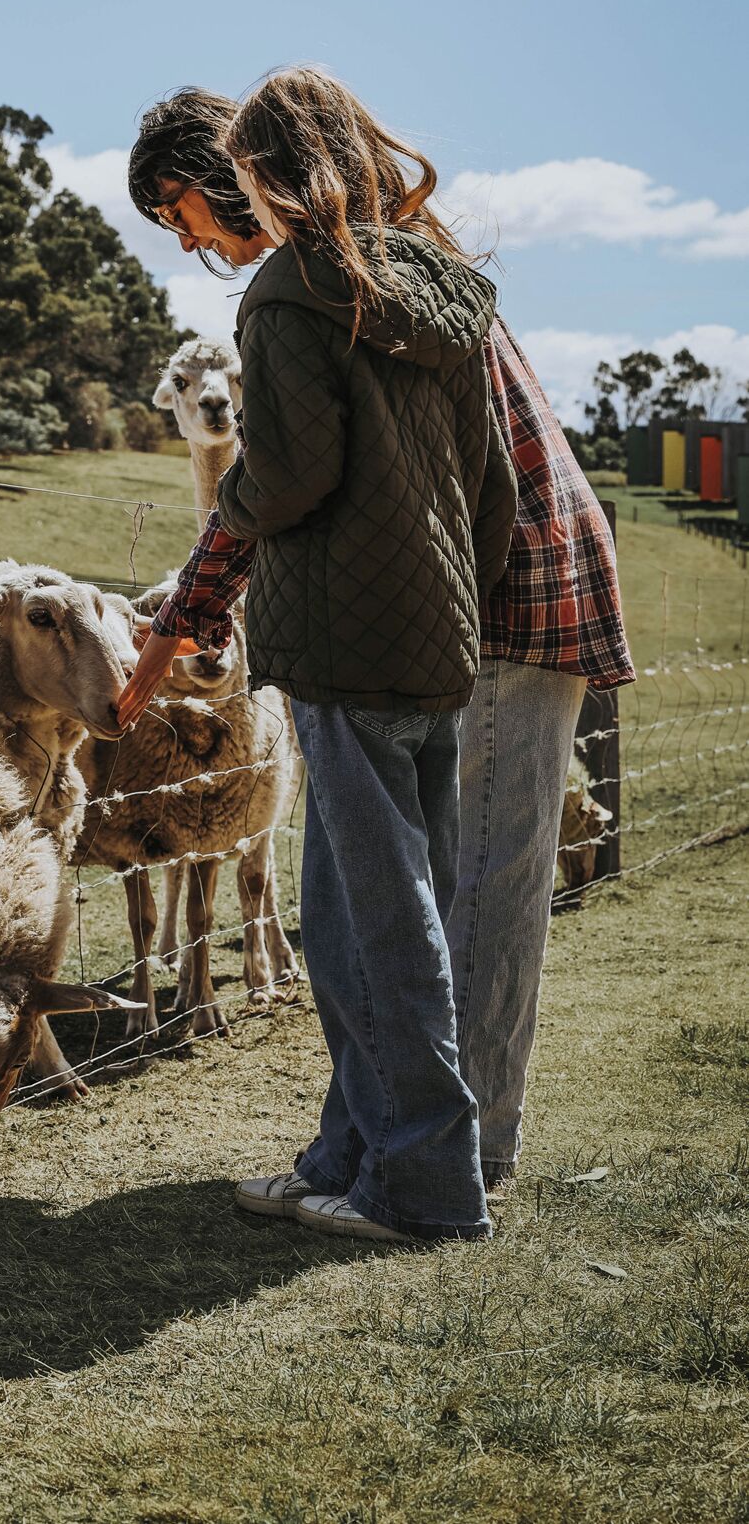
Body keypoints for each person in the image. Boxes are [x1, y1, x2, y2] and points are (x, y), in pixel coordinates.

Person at [122, 81, 634, 1217]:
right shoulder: (400, 274)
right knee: (411, 892)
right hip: (470, 580)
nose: (189, 242)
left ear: (232, 175)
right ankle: (372, 1153)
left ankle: (449, 1160)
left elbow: (295, 476)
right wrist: (194, 609)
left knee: (457, 893)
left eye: (178, 212)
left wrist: (194, 606)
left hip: (485, 593)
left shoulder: (339, 288)